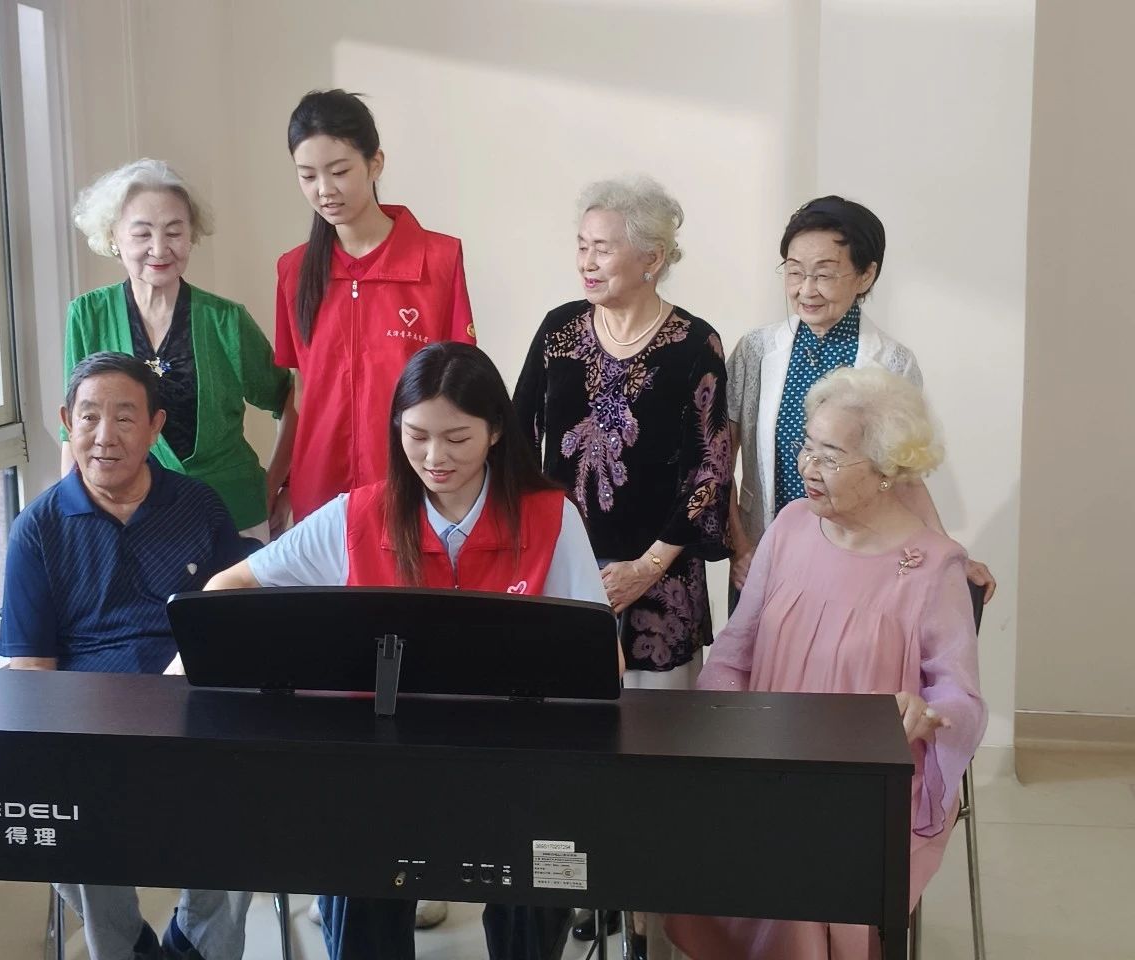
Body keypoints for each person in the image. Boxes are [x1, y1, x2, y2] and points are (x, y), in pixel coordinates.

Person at [182, 342, 614, 960]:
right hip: (383, 769)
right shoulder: (357, 516)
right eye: (416, 436)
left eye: (457, 438)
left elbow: (602, 661)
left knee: (538, 880)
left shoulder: (549, 518)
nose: (435, 458)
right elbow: (229, 588)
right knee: (361, 881)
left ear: (496, 431)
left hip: (513, 765)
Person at [665, 367, 987, 960]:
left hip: (865, 783)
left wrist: (926, 715)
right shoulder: (790, 526)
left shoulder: (934, 567)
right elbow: (733, 654)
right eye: (807, 446)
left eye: (831, 456)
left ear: (886, 469)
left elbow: (959, 698)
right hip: (767, 757)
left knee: (801, 868)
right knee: (687, 829)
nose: (808, 466)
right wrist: (723, 731)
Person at [513, 175, 731, 960]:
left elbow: (711, 467)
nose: (586, 261)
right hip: (566, 575)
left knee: (655, 761)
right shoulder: (558, 331)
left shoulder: (695, 344)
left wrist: (648, 565)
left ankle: (650, 915)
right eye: (581, 245)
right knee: (572, 752)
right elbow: (516, 437)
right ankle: (588, 892)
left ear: (653, 257)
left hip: (660, 582)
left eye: (602, 248)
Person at [0, 353, 255, 960]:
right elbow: (31, 673)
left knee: (248, 807)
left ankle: (193, 946)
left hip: (193, 719)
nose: (104, 437)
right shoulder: (38, 529)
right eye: (89, 417)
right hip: (92, 733)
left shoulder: (199, 506)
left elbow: (240, 627)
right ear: (68, 422)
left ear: (155, 426)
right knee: (69, 821)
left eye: (124, 418)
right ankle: (131, 949)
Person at [725, 195, 994, 604]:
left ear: (866, 275)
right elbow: (718, 460)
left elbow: (902, 476)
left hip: (855, 564)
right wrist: (740, 547)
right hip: (763, 556)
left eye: (824, 274)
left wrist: (949, 552)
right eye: (794, 272)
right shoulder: (755, 351)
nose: (806, 289)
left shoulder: (893, 363)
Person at [272, 89, 476, 532]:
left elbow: (461, 394)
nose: (324, 190)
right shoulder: (293, 271)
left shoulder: (438, 261)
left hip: (411, 489)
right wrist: (278, 483)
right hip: (319, 494)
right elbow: (300, 393)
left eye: (339, 171)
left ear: (375, 163)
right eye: (307, 176)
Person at [65, 158, 290, 541]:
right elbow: (73, 427)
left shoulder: (225, 320)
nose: (159, 248)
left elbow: (289, 397)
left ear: (191, 235)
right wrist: (71, 518)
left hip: (232, 514)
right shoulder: (88, 315)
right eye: (142, 234)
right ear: (113, 237)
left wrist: (276, 484)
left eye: (174, 232)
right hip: (127, 518)